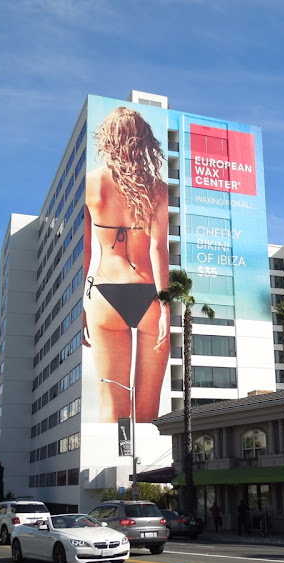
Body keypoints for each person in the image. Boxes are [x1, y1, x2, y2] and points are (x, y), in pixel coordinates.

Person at [83, 106, 170, 424]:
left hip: (104, 294)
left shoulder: (91, 184)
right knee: (147, 413)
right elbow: (159, 248)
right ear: (143, 142)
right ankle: (142, 471)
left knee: (114, 410)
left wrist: (81, 306)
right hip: (148, 292)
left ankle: (120, 468)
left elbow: (85, 253)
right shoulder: (158, 189)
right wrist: (166, 309)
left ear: (107, 140)